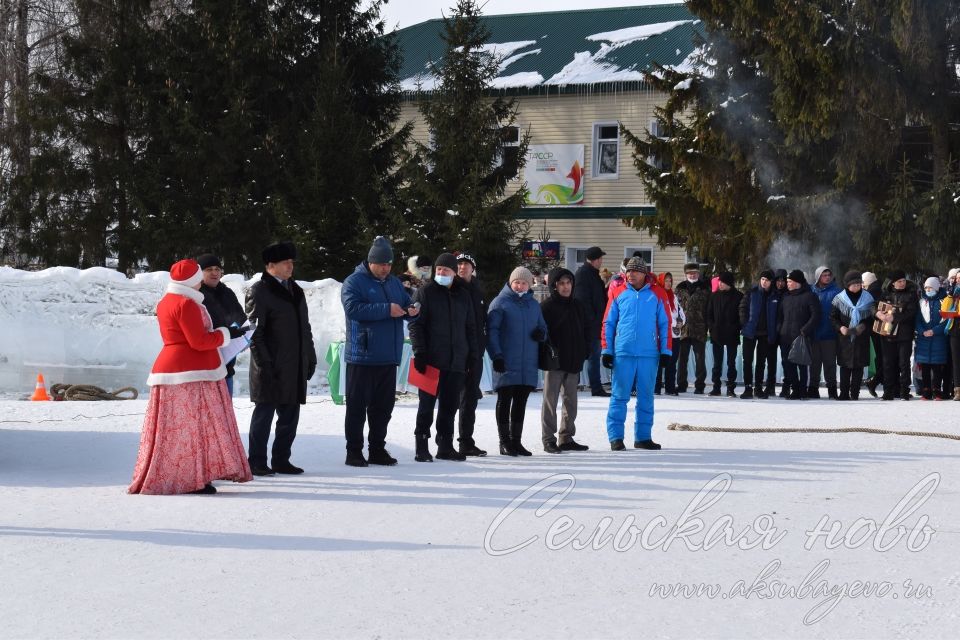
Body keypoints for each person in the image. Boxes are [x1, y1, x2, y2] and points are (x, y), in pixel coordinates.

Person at [129, 259, 252, 495]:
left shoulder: (167, 301)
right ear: (193, 280)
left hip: (171, 368)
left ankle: (178, 474)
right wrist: (227, 334)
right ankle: (191, 478)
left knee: (175, 430)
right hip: (192, 370)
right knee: (193, 428)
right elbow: (199, 341)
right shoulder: (187, 304)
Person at [341, 236, 418, 467]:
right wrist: (387, 309)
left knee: (383, 408)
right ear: (371, 262)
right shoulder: (354, 282)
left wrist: (412, 310)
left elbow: (406, 303)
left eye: (389, 264)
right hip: (362, 356)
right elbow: (353, 308)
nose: (386, 268)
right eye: (381, 264)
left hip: (388, 356)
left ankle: (377, 449)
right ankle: (354, 451)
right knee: (357, 407)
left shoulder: (394, 283)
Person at [245, 241, 317, 476]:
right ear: (271, 265)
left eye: (292, 262)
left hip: (293, 364)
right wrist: (264, 363)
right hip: (270, 365)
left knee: (289, 417)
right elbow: (254, 332)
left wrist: (310, 355)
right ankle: (256, 460)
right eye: (286, 262)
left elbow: (304, 326)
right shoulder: (259, 290)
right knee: (264, 416)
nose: (290, 266)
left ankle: (281, 459)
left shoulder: (295, 290)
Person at [410, 253, 478, 462]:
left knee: (449, 406)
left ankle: (445, 445)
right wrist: (420, 352)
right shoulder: (426, 292)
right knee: (426, 406)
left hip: (456, 361)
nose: (441, 273)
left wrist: (472, 355)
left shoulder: (463, 295)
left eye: (445, 270)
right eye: (438, 269)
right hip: (431, 361)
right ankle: (421, 444)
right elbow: (416, 324)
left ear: (453, 272)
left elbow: (470, 328)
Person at [602, 257, 670, 450]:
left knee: (646, 397)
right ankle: (615, 437)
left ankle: (643, 437)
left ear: (644, 273)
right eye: (628, 271)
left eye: (635, 271)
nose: (631, 274)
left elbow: (665, 324)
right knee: (619, 396)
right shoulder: (617, 292)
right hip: (623, 353)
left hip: (649, 354)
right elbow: (609, 323)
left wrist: (665, 350)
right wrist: (607, 350)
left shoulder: (658, 293)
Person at [487, 266, 548, 456]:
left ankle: (516, 441)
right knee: (505, 400)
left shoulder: (534, 305)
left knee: (521, 401)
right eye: (517, 282)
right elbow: (492, 332)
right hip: (506, 360)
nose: (520, 286)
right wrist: (496, 355)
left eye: (523, 283)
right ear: (511, 283)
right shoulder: (500, 303)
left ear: (529, 285)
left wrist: (542, 334)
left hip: (527, 362)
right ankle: (504, 441)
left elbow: (543, 327)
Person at [540, 267, 591, 453]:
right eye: (561, 283)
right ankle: (548, 438)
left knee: (571, 402)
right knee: (550, 401)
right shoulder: (546, 307)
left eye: (568, 282)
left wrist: (585, 350)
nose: (565, 286)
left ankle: (566, 437)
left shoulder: (578, 305)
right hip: (554, 362)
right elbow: (540, 333)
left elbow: (586, 329)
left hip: (574, 360)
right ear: (554, 285)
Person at [197, 253, 247, 396]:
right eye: (209, 269)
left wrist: (246, 335)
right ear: (200, 273)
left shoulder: (227, 292)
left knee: (226, 415)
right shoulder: (196, 295)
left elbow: (241, 318)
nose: (214, 273)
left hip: (227, 365)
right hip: (205, 369)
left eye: (217, 269)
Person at [455, 252, 488, 456]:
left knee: (470, 400)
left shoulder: (478, 289)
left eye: (466, 264)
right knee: (452, 399)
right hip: (457, 352)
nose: (462, 268)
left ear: (473, 268)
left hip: (476, 353)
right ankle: (444, 441)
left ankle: (466, 440)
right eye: (459, 264)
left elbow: (483, 321)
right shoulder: (453, 289)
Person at [830, 271, 875, 400]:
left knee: (858, 366)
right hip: (845, 337)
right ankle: (843, 393)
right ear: (847, 285)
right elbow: (833, 318)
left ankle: (855, 393)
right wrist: (840, 327)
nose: (857, 286)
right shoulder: (839, 299)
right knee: (845, 366)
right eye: (853, 284)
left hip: (861, 337)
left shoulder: (868, 298)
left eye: (859, 284)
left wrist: (864, 325)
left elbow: (872, 317)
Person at [777, 269, 820, 400]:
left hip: (802, 337)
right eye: (787, 281)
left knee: (802, 365)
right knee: (788, 365)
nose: (787, 283)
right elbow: (779, 316)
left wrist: (805, 330)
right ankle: (794, 390)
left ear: (797, 282)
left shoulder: (809, 296)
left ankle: (802, 390)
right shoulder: (785, 297)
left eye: (790, 281)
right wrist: (780, 330)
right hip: (785, 337)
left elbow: (816, 315)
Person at [875, 270, 918, 400]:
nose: (902, 283)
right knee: (888, 363)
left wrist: (894, 317)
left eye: (904, 280)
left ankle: (904, 391)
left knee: (904, 363)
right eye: (899, 281)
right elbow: (874, 306)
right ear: (893, 283)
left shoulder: (911, 295)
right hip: (887, 334)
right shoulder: (885, 294)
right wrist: (878, 314)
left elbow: (911, 313)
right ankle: (888, 391)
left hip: (904, 335)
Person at [574, 246, 609, 396]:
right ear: (594, 259)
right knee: (585, 356)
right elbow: (582, 300)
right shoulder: (583, 274)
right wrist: (592, 319)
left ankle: (596, 387)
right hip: (588, 324)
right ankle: (574, 385)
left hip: (595, 323)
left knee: (593, 357)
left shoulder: (593, 274)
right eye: (600, 258)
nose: (601, 261)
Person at [738, 269, 779, 399]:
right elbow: (742, 307)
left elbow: (779, 315)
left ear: (771, 282)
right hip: (750, 332)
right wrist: (744, 323)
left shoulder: (775, 295)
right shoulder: (752, 292)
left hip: (765, 334)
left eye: (767, 280)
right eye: (762, 279)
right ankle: (748, 387)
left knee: (761, 362)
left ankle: (759, 388)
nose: (764, 282)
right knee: (747, 360)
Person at [675, 262, 710, 393]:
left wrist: (708, 325)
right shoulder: (679, 288)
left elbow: (708, 309)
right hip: (683, 329)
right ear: (686, 274)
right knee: (682, 359)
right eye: (690, 273)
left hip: (699, 328)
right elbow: (675, 309)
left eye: (695, 273)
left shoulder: (705, 288)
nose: (693, 275)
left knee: (700, 359)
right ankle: (681, 384)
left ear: (698, 274)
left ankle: (700, 385)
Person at [706, 272, 743, 397]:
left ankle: (730, 388)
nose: (719, 284)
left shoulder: (738, 296)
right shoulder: (714, 296)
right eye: (719, 281)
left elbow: (742, 316)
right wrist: (712, 327)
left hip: (732, 334)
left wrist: (736, 327)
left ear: (728, 283)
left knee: (731, 363)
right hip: (717, 334)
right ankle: (716, 387)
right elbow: (709, 315)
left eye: (722, 282)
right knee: (717, 363)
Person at [809, 266, 841, 398]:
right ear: (818, 277)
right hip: (814, 334)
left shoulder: (837, 292)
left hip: (830, 334)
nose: (827, 277)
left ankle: (832, 389)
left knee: (830, 364)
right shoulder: (811, 291)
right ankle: (813, 388)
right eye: (824, 275)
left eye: (829, 275)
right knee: (814, 363)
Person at [915, 276, 949, 400]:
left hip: (938, 339)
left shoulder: (944, 301)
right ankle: (926, 390)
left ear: (936, 288)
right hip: (924, 339)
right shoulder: (921, 302)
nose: (928, 290)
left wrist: (934, 331)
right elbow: (917, 320)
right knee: (925, 367)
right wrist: (922, 331)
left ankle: (936, 390)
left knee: (937, 367)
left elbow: (946, 320)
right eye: (926, 288)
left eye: (931, 287)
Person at [655, 272, 685, 396]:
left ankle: (670, 387)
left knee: (672, 362)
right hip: (661, 334)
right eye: (666, 281)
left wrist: (681, 322)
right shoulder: (657, 296)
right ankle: (656, 387)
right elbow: (660, 315)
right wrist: (673, 323)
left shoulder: (673, 296)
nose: (668, 283)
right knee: (658, 362)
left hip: (674, 335)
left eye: (670, 281)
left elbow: (680, 312)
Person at [862, 271, 884, 397]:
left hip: (875, 329)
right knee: (883, 358)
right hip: (880, 328)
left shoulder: (871, 292)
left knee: (882, 358)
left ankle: (875, 381)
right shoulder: (878, 289)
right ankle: (877, 381)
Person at [940, 272, 960, 400]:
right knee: (956, 361)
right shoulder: (954, 293)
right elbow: (945, 311)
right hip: (954, 329)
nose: (958, 281)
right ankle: (958, 389)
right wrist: (949, 296)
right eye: (957, 279)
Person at [773, 268, 791, 397]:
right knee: (771, 360)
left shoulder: (789, 294)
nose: (780, 283)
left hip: (785, 332)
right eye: (778, 281)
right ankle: (769, 386)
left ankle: (786, 386)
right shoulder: (771, 294)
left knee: (786, 361)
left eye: (783, 281)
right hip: (771, 331)